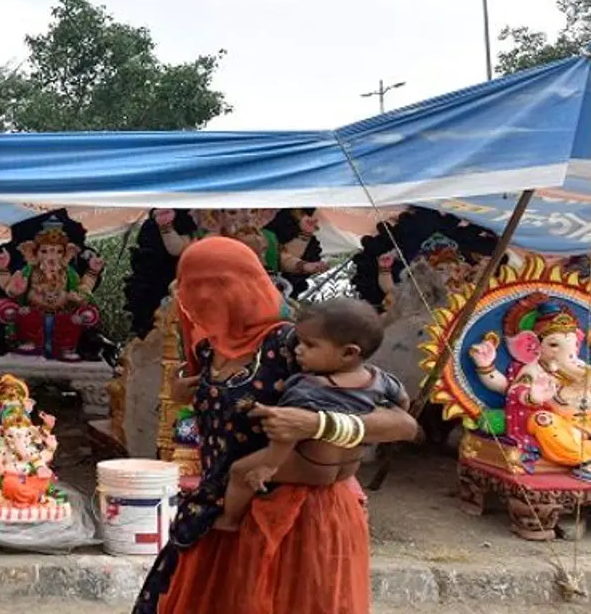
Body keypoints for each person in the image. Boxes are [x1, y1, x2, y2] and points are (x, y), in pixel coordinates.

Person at [132, 236, 418, 614]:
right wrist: (186, 391)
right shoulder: (208, 350)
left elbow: (402, 424)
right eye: (190, 285)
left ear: (244, 285)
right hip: (217, 513)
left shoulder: (294, 345)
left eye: (212, 285)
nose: (197, 297)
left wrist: (318, 423)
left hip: (295, 520)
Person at [215, 298, 409, 531]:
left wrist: (269, 466)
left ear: (349, 353)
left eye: (309, 345)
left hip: (311, 465)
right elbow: (403, 402)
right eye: (298, 342)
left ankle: (230, 520)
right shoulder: (380, 379)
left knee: (239, 472)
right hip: (348, 467)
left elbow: (287, 432)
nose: (298, 349)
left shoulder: (309, 388)